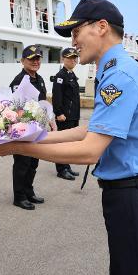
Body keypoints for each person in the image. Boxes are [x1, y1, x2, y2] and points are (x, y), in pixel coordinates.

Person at [0, 0, 138, 275]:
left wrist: (17, 146)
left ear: (101, 27)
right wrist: (35, 135)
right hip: (131, 194)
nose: (73, 42)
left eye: (76, 32)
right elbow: (91, 129)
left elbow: (90, 151)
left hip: (134, 196)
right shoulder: (116, 68)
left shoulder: (119, 74)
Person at [9, 45, 47, 210]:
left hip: (38, 129)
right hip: (23, 130)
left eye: (38, 58)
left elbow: (43, 103)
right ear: (23, 61)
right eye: (31, 59)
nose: (35, 62)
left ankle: (29, 191)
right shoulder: (19, 81)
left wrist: (49, 121)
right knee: (22, 164)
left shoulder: (39, 79)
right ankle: (19, 196)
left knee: (33, 163)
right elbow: (15, 107)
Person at [52, 47, 81, 180]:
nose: (73, 60)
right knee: (62, 143)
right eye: (70, 58)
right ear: (63, 59)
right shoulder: (60, 76)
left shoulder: (71, 75)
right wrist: (58, 113)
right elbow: (57, 96)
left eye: (74, 58)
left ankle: (67, 166)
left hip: (73, 115)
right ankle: (61, 169)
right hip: (64, 116)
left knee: (69, 143)